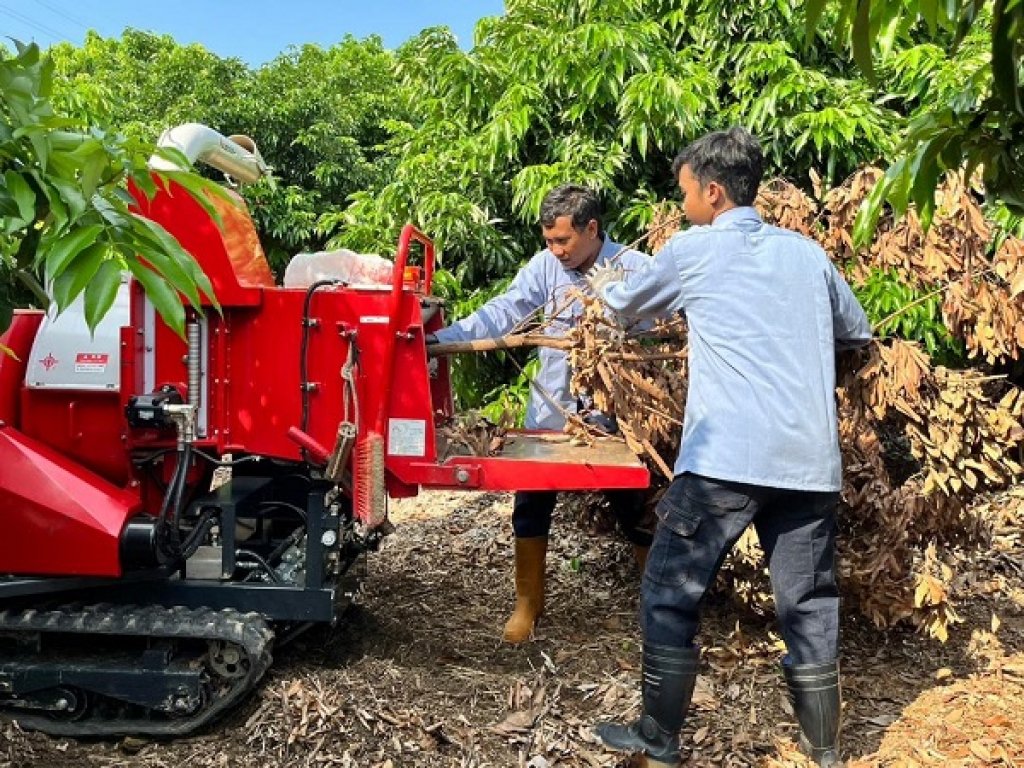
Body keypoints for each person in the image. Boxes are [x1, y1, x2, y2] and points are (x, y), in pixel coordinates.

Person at [589, 127, 871, 767]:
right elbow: (854, 333)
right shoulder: (808, 255)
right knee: (809, 602)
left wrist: (603, 284)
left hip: (724, 463)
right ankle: (823, 750)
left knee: (669, 588)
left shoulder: (693, 250)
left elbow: (625, 308)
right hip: (809, 463)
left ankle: (659, 739)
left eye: (685, 192)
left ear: (712, 192)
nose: (682, 204)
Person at [427, 184, 654, 644]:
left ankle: (657, 606)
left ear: (592, 229)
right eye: (548, 240)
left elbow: (667, 328)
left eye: (563, 241)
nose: (555, 250)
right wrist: (442, 340)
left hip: (612, 418)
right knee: (531, 506)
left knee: (635, 509)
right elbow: (505, 310)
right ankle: (528, 604)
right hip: (550, 416)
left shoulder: (635, 268)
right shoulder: (545, 267)